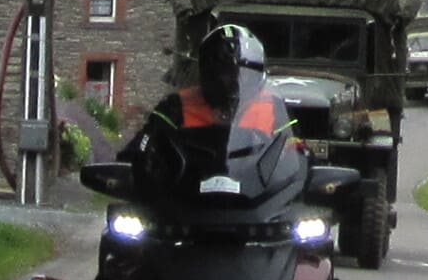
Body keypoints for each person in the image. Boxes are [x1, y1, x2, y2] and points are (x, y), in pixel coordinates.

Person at [127, 23, 307, 210]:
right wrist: (129, 171)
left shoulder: (272, 106)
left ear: (258, 74)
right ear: (206, 73)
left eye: (242, 73)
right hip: (183, 205)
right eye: (222, 73)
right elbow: (141, 149)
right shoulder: (176, 105)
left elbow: (297, 155)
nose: (231, 81)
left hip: (258, 204)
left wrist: (306, 178)